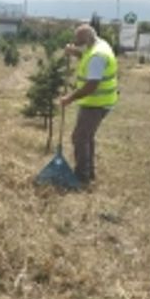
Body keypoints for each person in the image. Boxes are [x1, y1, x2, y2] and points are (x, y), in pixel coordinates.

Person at [59, 24, 119, 185]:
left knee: (80, 137)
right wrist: (75, 52)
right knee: (86, 136)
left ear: (86, 38)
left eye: (78, 40)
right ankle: (89, 172)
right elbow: (86, 56)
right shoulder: (98, 45)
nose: (75, 42)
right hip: (98, 101)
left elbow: (92, 85)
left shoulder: (97, 56)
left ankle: (82, 176)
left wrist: (70, 98)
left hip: (96, 103)